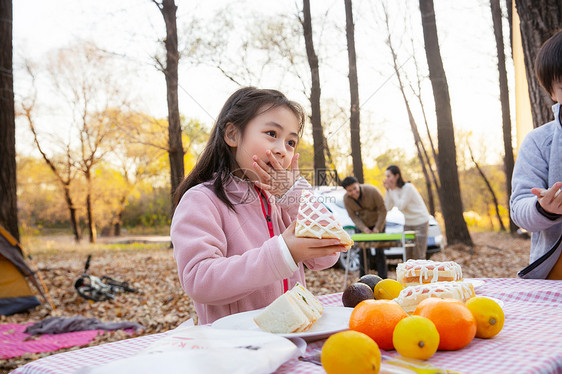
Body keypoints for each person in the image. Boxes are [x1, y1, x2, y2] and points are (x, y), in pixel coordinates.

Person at [170, 87, 345, 324]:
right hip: (236, 347)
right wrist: (282, 254)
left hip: (292, 339)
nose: (282, 149)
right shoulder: (202, 200)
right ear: (232, 135)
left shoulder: (281, 201)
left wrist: (294, 195)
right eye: (272, 133)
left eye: (291, 142)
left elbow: (330, 251)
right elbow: (199, 280)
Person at [511, 31, 562, 280]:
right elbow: (519, 206)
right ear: (553, 93)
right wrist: (544, 208)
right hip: (555, 275)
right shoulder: (540, 142)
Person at [341, 176, 387, 277]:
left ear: (358, 184)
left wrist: (377, 228)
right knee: (363, 252)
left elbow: (383, 209)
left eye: (354, 188)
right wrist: (364, 228)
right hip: (363, 225)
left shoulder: (372, 191)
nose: (353, 192)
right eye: (349, 191)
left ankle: (383, 278)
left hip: (378, 223)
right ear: (346, 191)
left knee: (379, 251)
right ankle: (364, 278)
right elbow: (353, 216)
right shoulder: (346, 199)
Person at [383, 165, 430, 260]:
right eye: (386, 177)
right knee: (408, 255)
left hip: (420, 222)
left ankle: (421, 274)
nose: (387, 179)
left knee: (419, 254)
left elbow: (400, 205)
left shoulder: (408, 187)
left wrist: (392, 190)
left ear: (397, 176)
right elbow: (388, 207)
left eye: (389, 176)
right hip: (408, 223)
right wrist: (388, 190)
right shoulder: (393, 191)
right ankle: (408, 275)